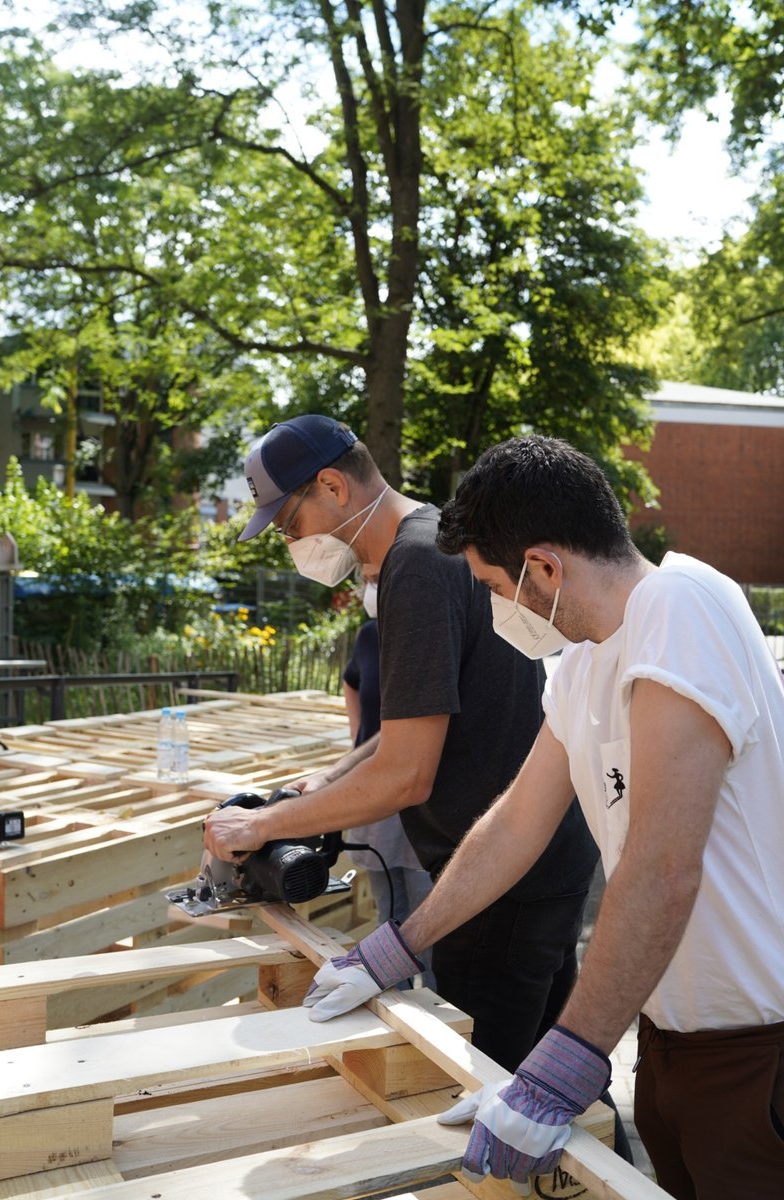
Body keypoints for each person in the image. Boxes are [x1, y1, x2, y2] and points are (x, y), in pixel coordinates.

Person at [301, 433, 784, 1200]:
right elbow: (515, 824)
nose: (495, 608)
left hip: (755, 1057)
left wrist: (565, 1063)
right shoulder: (585, 663)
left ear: (546, 568)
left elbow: (662, 869)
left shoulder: (683, 607)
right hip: (667, 1044)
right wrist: (401, 943)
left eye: (493, 587)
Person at [203, 413, 600, 1080]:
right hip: (541, 865)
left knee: (482, 1090)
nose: (290, 542)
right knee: (557, 1090)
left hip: (498, 886)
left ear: (332, 487)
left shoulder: (415, 566)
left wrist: (263, 823)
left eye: (288, 524)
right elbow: (411, 727)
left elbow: (407, 775)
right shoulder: (433, 541)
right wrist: (323, 787)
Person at [341, 592, 435, 988]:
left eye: (378, 578)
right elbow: (351, 682)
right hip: (376, 794)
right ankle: (392, 1003)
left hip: (420, 794)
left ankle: (434, 1015)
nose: (372, 586)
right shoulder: (369, 636)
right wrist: (357, 748)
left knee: (427, 917)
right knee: (387, 909)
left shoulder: (428, 636)